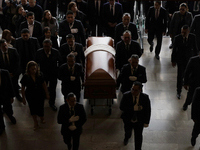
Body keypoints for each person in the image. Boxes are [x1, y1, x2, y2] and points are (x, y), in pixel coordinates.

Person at [119, 81, 151, 149]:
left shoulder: (145, 97)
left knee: (138, 136)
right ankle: (127, 138)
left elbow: (148, 110)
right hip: (128, 119)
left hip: (139, 120)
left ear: (140, 90)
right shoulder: (126, 95)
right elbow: (121, 107)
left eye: (135, 90)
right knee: (128, 131)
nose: (133, 91)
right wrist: (133, 108)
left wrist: (146, 122)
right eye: (132, 89)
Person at [171, 25, 198, 100]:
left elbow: (195, 48)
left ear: (188, 32)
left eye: (184, 32)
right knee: (180, 75)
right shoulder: (177, 38)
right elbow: (174, 50)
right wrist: (173, 60)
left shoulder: (192, 37)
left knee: (190, 75)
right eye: (182, 32)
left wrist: (196, 59)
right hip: (180, 60)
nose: (183, 34)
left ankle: (189, 89)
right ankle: (178, 91)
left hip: (190, 60)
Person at [20, 61, 49, 130]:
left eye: (35, 69)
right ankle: (35, 122)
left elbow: (44, 84)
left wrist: (47, 93)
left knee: (40, 107)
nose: (34, 70)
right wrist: (23, 98)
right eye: (32, 69)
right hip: (30, 95)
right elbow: (23, 88)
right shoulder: (25, 76)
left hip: (40, 94)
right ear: (29, 69)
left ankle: (42, 117)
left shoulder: (40, 74)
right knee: (32, 108)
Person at [35, 39, 62, 111]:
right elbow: (36, 63)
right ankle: (41, 102)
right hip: (43, 74)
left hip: (53, 74)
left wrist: (58, 71)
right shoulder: (39, 52)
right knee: (42, 88)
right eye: (44, 46)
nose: (46, 48)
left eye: (48, 46)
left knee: (53, 89)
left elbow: (60, 62)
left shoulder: (56, 52)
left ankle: (52, 103)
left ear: (51, 46)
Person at [0, 68, 16, 135]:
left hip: (5, 95)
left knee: (8, 107)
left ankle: (10, 116)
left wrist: (12, 96)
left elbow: (10, 85)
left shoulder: (5, 73)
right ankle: (1, 126)